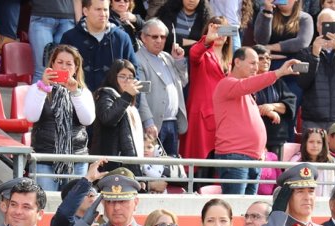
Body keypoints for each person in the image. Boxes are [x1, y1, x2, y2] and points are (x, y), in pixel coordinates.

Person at [214, 49, 300, 195]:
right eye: (252, 63)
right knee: (236, 209)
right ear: (237, 62)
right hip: (236, 157)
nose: (256, 67)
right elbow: (248, 85)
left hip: (253, 158)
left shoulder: (245, 93)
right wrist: (278, 73)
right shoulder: (227, 83)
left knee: (249, 212)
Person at [25, 44, 95, 192]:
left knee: (74, 206)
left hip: (76, 159)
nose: (64, 67)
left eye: (69, 64)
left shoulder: (83, 92)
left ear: (76, 68)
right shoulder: (37, 88)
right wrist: (43, 87)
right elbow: (31, 116)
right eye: (60, 62)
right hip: (45, 159)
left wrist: (75, 93)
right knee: (47, 204)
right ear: (52, 64)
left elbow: (87, 120)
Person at [254, 0, 314, 135]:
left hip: (294, 74)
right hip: (270, 70)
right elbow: (260, 40)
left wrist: (270, 48)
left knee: (289, 114)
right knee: (267, 112)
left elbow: (301, 42)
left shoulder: (305, 18)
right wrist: (267, 13)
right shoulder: (265, 13)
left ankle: (286, 149)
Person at [295, 7, 335, 131]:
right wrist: (314, 55)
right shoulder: (303, 53)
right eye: (325, 24)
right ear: (318, 26)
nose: (329, 28)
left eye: (334, 24)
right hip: (313, 118)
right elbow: (302, 82)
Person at [180, 16, 233, 161]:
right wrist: (207, 40)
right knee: (199, 161)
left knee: (218, 162)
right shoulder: (203, 53)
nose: (220, 34)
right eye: (216, 30)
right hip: (201, 117)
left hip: (222, 117)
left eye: (224, 30)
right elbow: (194, 54)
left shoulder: (230, 61)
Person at [136, 18, 189, 158]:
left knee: (170, 169)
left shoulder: (168, 57)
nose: (159, 40)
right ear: (143, 37)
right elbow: (139, 95)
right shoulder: (137, 59)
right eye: (154, 36)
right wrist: (148, 121)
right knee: (150, 170)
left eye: (162, 37)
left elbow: (183, 82)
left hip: (172, 122)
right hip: (152, 124)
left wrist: (179, 60)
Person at [61, 0, 138, 92]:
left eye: (105, 9)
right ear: (85, 11)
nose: (103, 14)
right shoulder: (70, 37)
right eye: (98, 9)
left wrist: (129, 102)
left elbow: (134, 73)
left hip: (116, 103)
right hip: (77, 101)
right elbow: (61, 72)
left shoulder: (122, 38)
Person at [91, 59, 145, 176]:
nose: (127, 81)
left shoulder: (129, 102)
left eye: (131, 77)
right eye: (122, 76)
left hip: (126, 162)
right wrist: (126, 96)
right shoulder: (105, 94)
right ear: (113, 78)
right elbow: (108, 119)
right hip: (111, 163)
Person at [253, 45, 297, 158]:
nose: (266, 61)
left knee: (276, 173)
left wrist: (272, 106)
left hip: (276, 137)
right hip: (254, 137)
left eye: (268, 58)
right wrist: (265, 110)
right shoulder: (246, 82)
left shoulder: (277, 82)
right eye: (261, 58)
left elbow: (289, 104)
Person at [28, 0, 78, 82]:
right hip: (41, 14)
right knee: (42, 70)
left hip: (68, 17)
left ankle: (64, 95)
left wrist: (79, 20)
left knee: (66, 71)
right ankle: (39, 94)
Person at [291, 127, 335, 196]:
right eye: (311, 142)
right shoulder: (296, 161)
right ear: (305, 143)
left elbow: (331, 188)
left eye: (319, 142)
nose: (315, 145)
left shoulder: (329, 162)